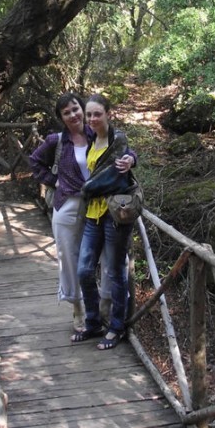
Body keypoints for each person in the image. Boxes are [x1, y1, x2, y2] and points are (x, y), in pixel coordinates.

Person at [29, 93, 130, 333]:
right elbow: (35, 161)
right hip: (69, 206)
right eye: (67, 112)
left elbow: (124, 149)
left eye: (76, 109)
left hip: (100, 205)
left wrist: (131, 160)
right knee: (70, 259)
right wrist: (55, 181)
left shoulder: (97, 132)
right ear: (61, 118)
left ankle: (105, 307)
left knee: (109, 257)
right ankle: (77, 308)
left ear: (83, 110)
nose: (73, 115)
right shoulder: (57, 140)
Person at [72, 94, 136, 350]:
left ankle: (117, 327)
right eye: (89, 115)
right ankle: (94, 322)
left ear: (108, 113)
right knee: (85, 270)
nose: (92, 119)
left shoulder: (118, 138)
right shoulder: (90, 141)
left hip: (115, 215)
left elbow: (112, 175)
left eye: (97, 114)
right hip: (92, 216)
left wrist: (87, 189)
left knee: (115, 271)